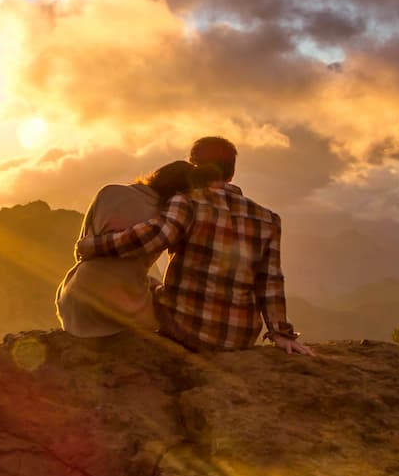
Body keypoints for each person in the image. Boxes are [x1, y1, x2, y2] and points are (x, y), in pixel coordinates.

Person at [75, 137, 313, 355]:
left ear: (194, 167)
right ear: (231, 173)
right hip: (239, 337)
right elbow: (270, 281)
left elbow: (151, 238)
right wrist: (281, 332)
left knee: (148, 287)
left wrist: (94, 245)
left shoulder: (188, 202)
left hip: (186, 330)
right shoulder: (268, 219)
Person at [56, 161, 196, 336]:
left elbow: (81, 250)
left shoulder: (108, 191)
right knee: (161, 295)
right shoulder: (165, 217)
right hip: (120, 310)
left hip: (74, 304)